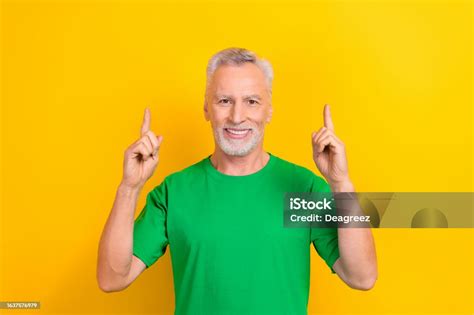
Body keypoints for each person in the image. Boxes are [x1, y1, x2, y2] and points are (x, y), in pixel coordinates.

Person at [97, 47, 377, 315]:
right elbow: (112, 278)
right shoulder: (174, 192)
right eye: (224, 101)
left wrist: (341, 184)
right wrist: (129, 187)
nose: (237, 116)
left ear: (269, 110)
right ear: (207, 109)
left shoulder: (302, 189)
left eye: (251, 101)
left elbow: (362, 276)